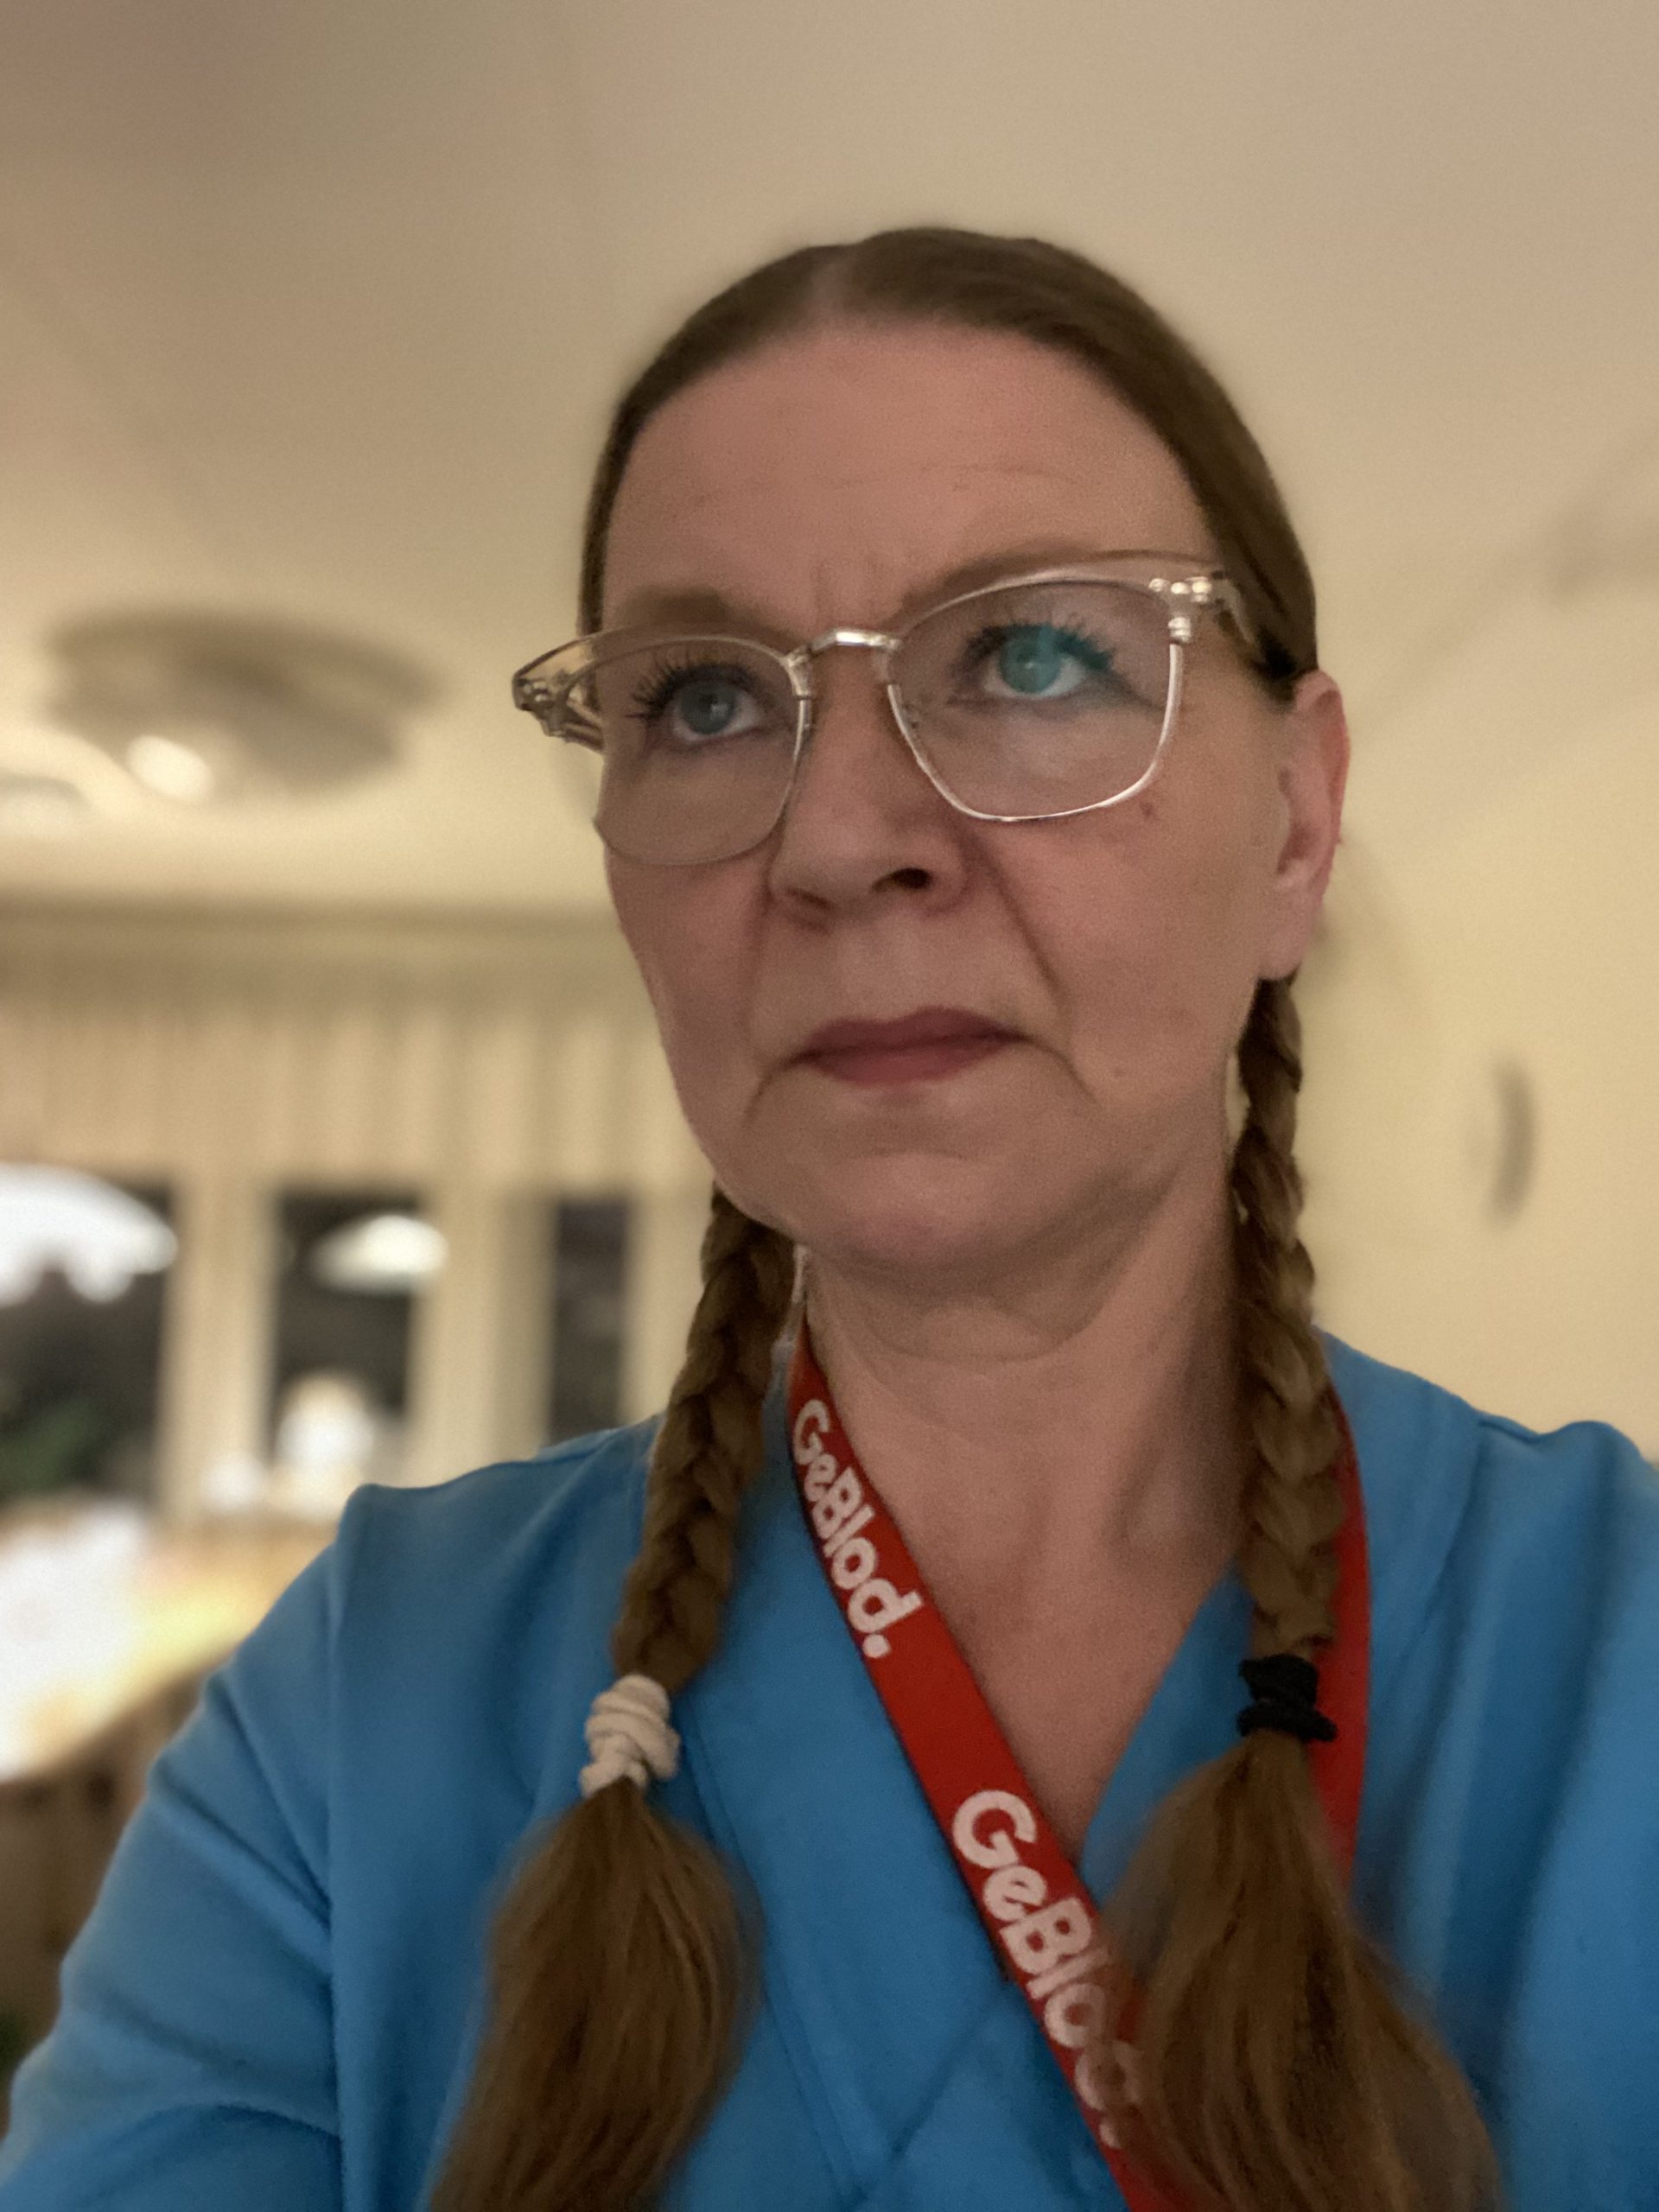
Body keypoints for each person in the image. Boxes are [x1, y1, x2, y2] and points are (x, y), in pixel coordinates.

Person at [2, 227, 1656, 2212]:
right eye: (705, 698)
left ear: (1295, 824)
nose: (843, 838)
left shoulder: (1617, 1664)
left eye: (1033, 656)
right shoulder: (365, 1705)